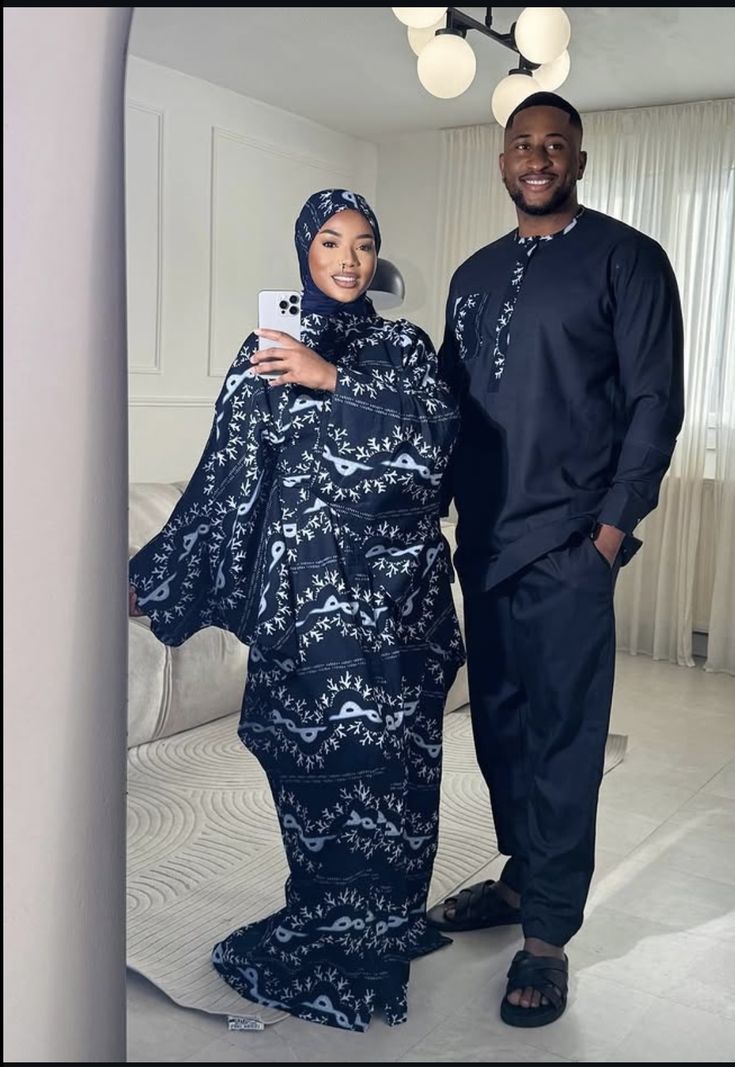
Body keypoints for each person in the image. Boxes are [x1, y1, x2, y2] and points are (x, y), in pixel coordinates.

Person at [128, 188, 464, 1032]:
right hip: (308, 604)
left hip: (397, 606)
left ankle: (385, 919)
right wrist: (156, 572)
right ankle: (329, 920)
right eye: (330, 242)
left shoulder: (401, 345)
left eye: (363, 244)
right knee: (321, 767)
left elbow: (435, 444)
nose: (348, 259)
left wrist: (333, 379)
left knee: (397, 770)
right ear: (303, 252)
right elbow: (228, 473)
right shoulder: (266, 347)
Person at [428, 92, 685, 1028]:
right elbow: (447, 408)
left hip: (570, 544)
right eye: (521, 145)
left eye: (553, 145)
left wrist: (609, 534)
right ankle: (519, 874)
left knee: (563, 737)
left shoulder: (626, 258)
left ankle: (545, 934)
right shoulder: (472, 275)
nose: (536, 158)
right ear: (502, 160)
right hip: (485, 544)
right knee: (497, 725)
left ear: (578, 157)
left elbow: (653, 402)